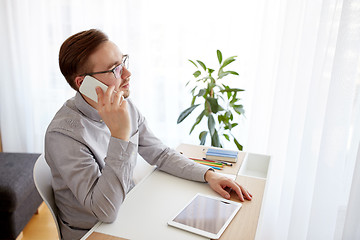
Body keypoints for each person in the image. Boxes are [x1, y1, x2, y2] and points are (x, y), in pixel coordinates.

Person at [45, 29, 252, 240]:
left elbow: (160, 154)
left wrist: (209, 175)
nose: (127, 74)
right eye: (114, 69)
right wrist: (120, 136)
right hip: (95, 232)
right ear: (83, 83)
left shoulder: (124, 105)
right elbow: (104, 211)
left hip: (130, 211)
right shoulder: (63, 135)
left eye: (123, 61)